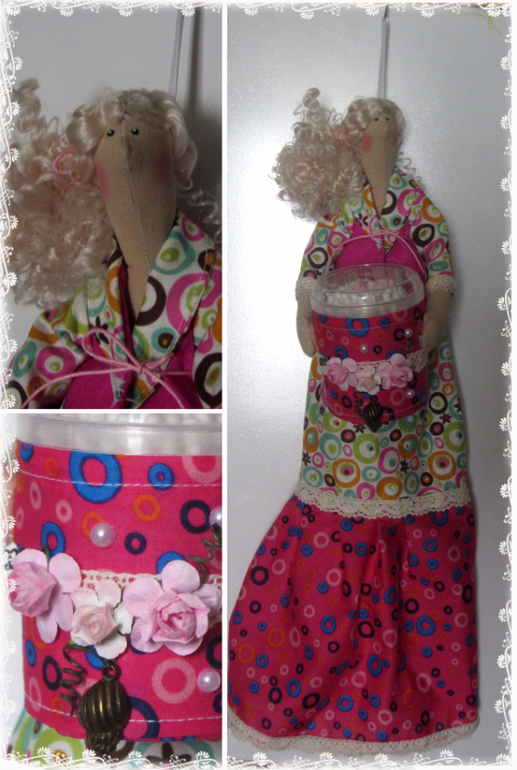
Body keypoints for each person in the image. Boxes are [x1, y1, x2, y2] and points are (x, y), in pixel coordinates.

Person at [228, 90, 478, 754]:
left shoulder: (419, 210)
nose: (375, 135)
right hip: (341, 378)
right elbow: (310, 275)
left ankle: (422, 695)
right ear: (347, 140)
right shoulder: (339, 215)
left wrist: (430, 324)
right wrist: (304, 316)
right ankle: (320, 675)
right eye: (365, 126)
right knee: (340, 509)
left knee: (415, 505)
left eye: (382, 124)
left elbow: (441, 275)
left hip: (418, 385)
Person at [5, 80, 221, 409]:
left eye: (135, 132)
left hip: (169, 437)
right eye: (109, 134)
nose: (122, 141)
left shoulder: (212, 281)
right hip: (82, 437)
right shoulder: (95, 287)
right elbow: (48, 347)